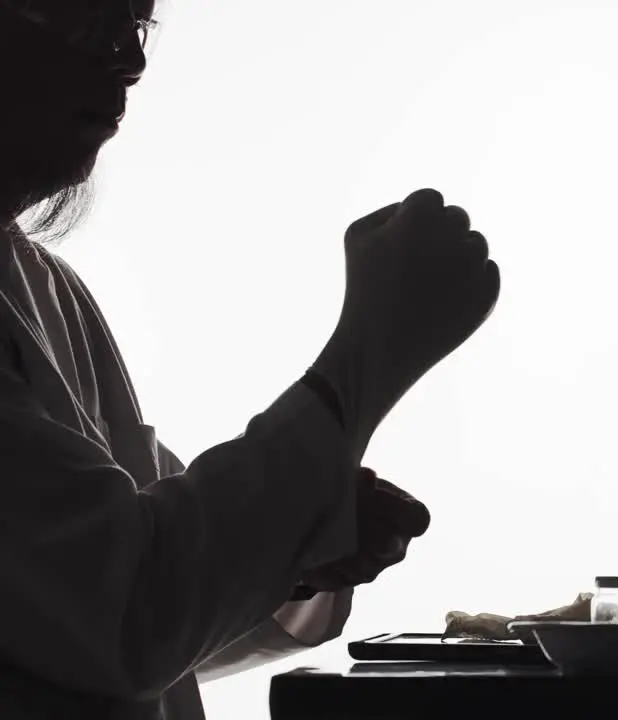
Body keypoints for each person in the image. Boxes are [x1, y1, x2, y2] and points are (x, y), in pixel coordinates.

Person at [0, 1, 501, 718]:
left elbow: (156, 591)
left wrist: (297, 557)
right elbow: (126, 614)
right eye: (86, 19)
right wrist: (367, 353)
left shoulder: (46, 286)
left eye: (133, 28)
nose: (131, 64)